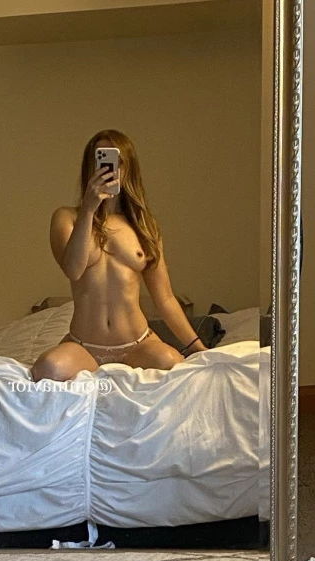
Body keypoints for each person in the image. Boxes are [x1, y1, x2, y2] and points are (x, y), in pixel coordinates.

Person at [31, 129, 208, 382]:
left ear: (127, 168)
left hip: (137, 344)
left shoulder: (144, 226)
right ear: (89, 166)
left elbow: (165, 298)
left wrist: (198, 348)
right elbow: (73, 270)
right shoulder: (67, 217)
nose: (107, 169)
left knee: (171, 363)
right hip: (84, 347)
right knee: (48, 368)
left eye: (116, 161)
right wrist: (89, 209)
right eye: (99, 160)